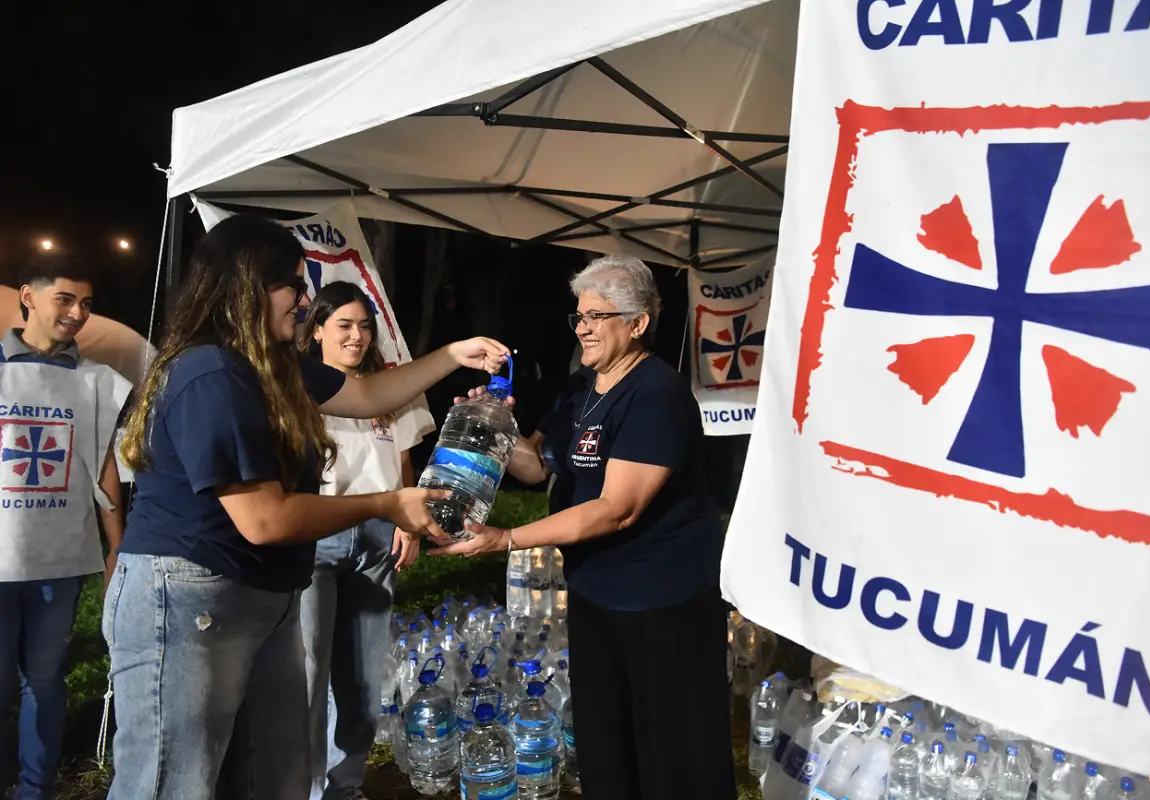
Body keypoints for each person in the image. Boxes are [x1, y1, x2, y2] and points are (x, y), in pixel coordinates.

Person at [104, 214, 508, 800]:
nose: (304, 299)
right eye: (294, 284)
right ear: (247, 285)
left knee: (277, 774)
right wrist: (387, 502)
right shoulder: (211, 373)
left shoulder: (272, 365)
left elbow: (368, 394)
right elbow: (264, 519)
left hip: (261, 595)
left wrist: (451, 354)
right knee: (175, 782)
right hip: (189, 597)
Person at [432, 254, 736, 800]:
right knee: (605, 739)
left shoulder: (656, 395)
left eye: (597, 316)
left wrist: (508, 539)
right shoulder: (581, 387)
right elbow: (539, 463)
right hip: (598, 592)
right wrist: (494, 425)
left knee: (675, 749)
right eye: (579, 317)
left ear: (638, 323)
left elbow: (618, 507)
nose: (583, 328)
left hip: (662, 600)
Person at [296, 281, 435, 800]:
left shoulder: (390, 388)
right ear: (317, 332)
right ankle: (305, 788)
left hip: (378, 540)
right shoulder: (299, 388)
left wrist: (408, 524)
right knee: (309, 673)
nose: (356, 337)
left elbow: (403, 465)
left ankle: (345, 785)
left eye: (364, 326)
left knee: (362, 676)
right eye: (344, 325)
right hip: (315, 538)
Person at [0, 252, 131, 800]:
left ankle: (36, 785)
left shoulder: (99, 380)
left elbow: (106, 467)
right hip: (3, 557)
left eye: (87, 304)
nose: (78, 313)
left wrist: (116, 550)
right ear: (29, 297)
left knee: (45, 677)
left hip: (61, 557)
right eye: (66, 300)